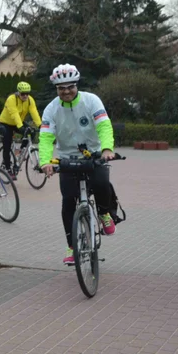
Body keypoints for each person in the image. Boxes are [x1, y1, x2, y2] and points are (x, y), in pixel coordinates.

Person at [38, 63, 118, 266]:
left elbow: (104, 126)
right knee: (68, 202)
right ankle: (71, 246)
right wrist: (45, 161)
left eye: (70, 86)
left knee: (101, 184)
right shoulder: (51, 109)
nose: (66, 91)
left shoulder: (91, 100)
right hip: (67, 158)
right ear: (56, 89)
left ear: (77, 85)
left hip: (94, 154)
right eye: (61, 88)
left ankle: (104, 213)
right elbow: (46, 137)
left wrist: (107, 149)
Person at [0, 81, 41, 176]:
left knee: (32, 132)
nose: (25, 96)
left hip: (18, 122)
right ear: (18, 93)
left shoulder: (30, 100)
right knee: (7, 145)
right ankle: (8, 169)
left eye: (27, 93)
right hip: (6, 123)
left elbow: (34, 112)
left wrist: (40, 125)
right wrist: (20, 127)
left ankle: (21, 151)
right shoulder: (11, 99)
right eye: (23, 94)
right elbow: (14, 114)